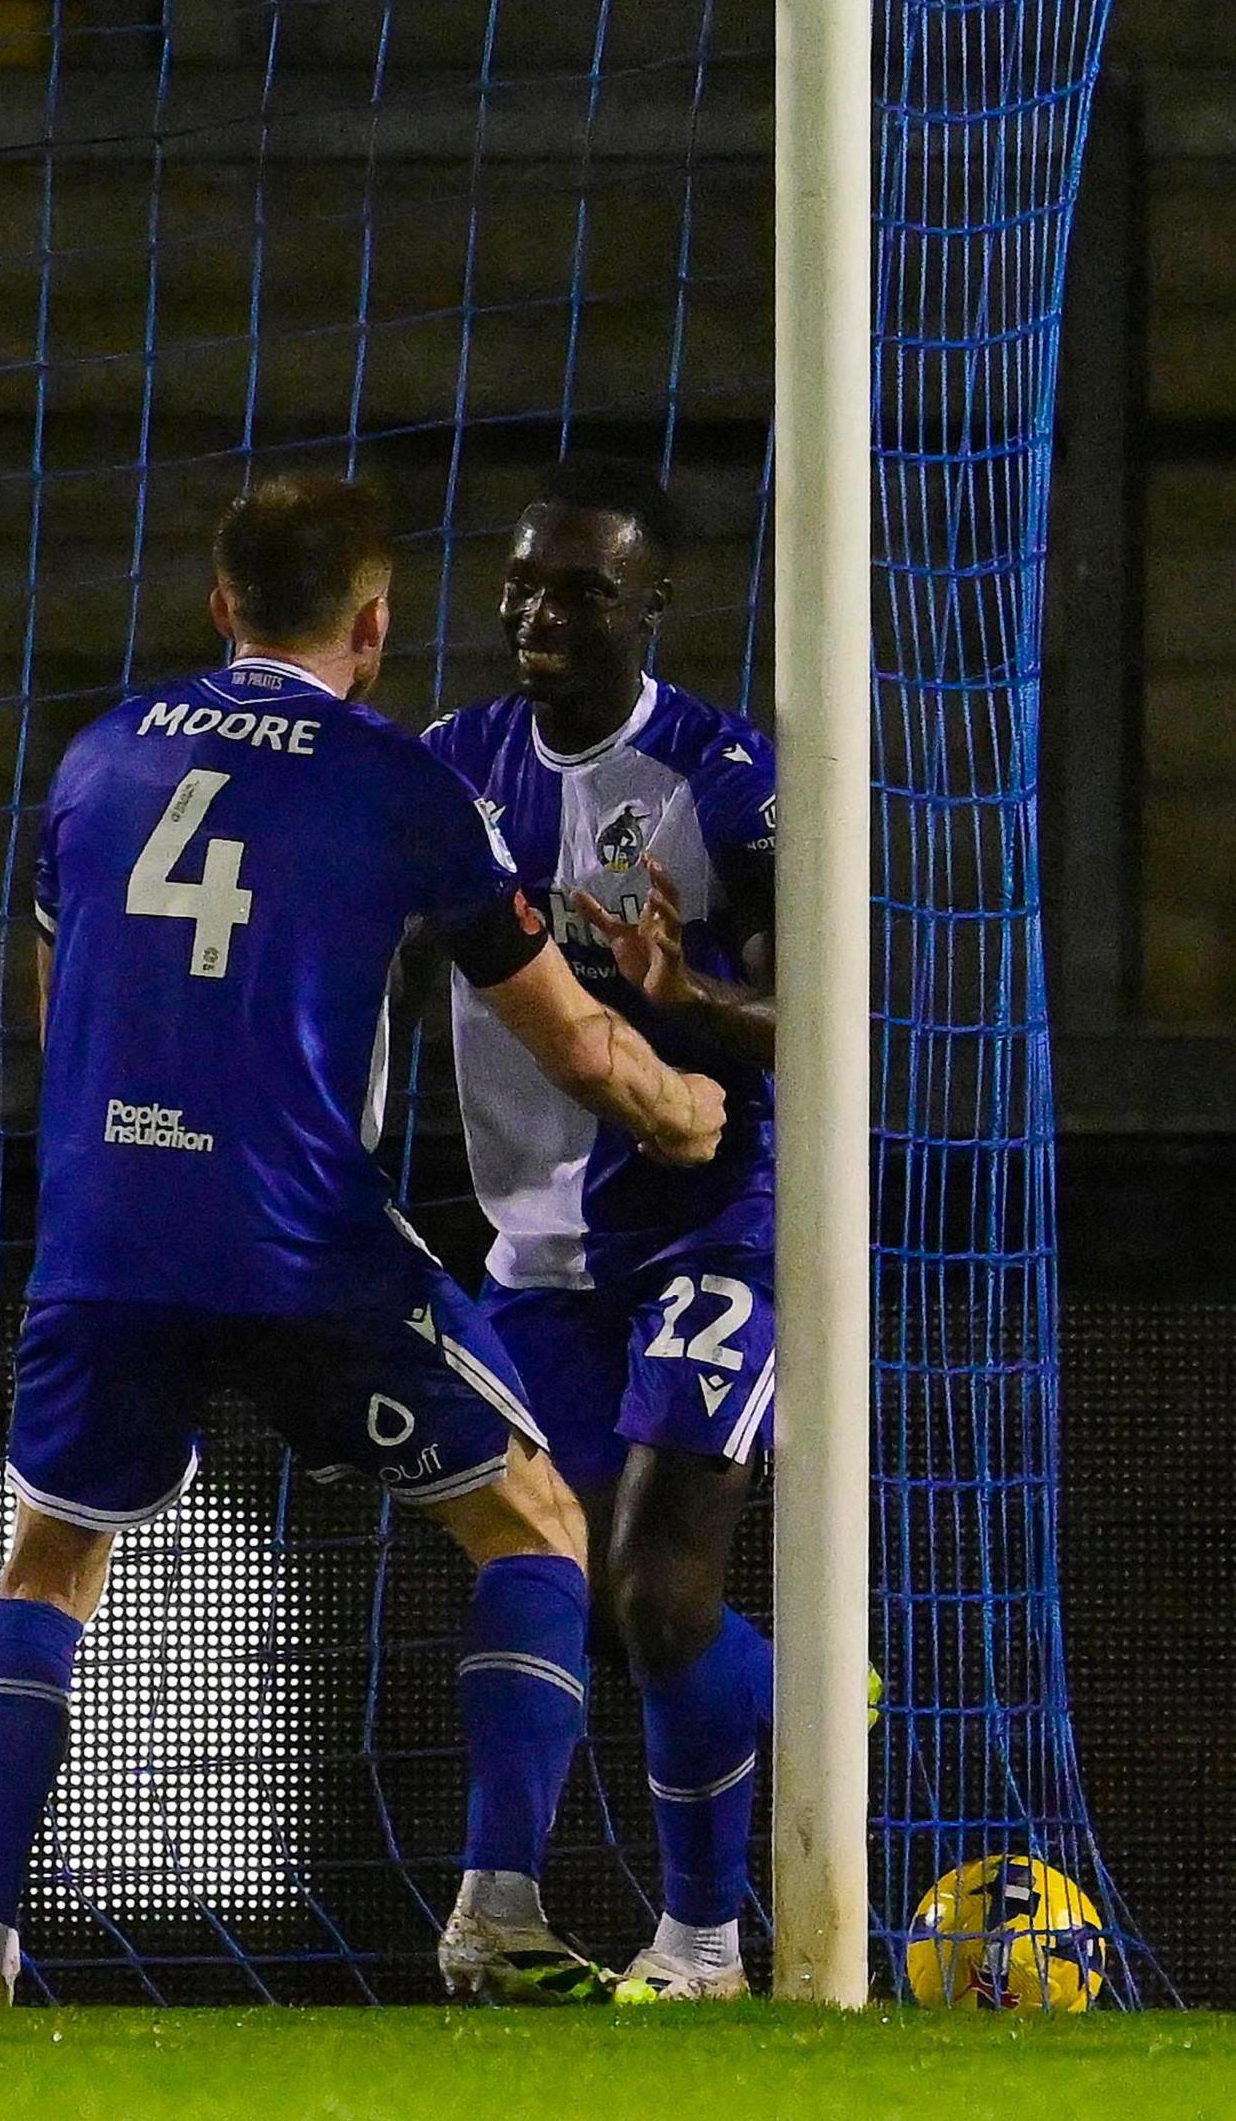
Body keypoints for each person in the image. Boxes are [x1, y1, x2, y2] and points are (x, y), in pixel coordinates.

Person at [0, 474, 729, 2009]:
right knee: (537, 1523)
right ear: (375, 624)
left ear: (221, 605)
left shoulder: (96, 761)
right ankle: (494, 1913)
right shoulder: (404, 784)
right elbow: (568, 1039)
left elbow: (56, 1012)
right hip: (298, 1243)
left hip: (104, 1236)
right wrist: (687, 1109)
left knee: (51, 1562)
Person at [423, 459, 778, 2003]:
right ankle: (496, 1916)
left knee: (654, 1592)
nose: (538, 611)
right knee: (550, 1576)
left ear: (652, 604)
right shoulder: (452, 768)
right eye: (521, 581)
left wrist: (702, 1005)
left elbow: (834, 1012)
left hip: (710, 1222)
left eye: (578, 587)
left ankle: (699, 1946)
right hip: (532, 1254)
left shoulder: (728, 777)